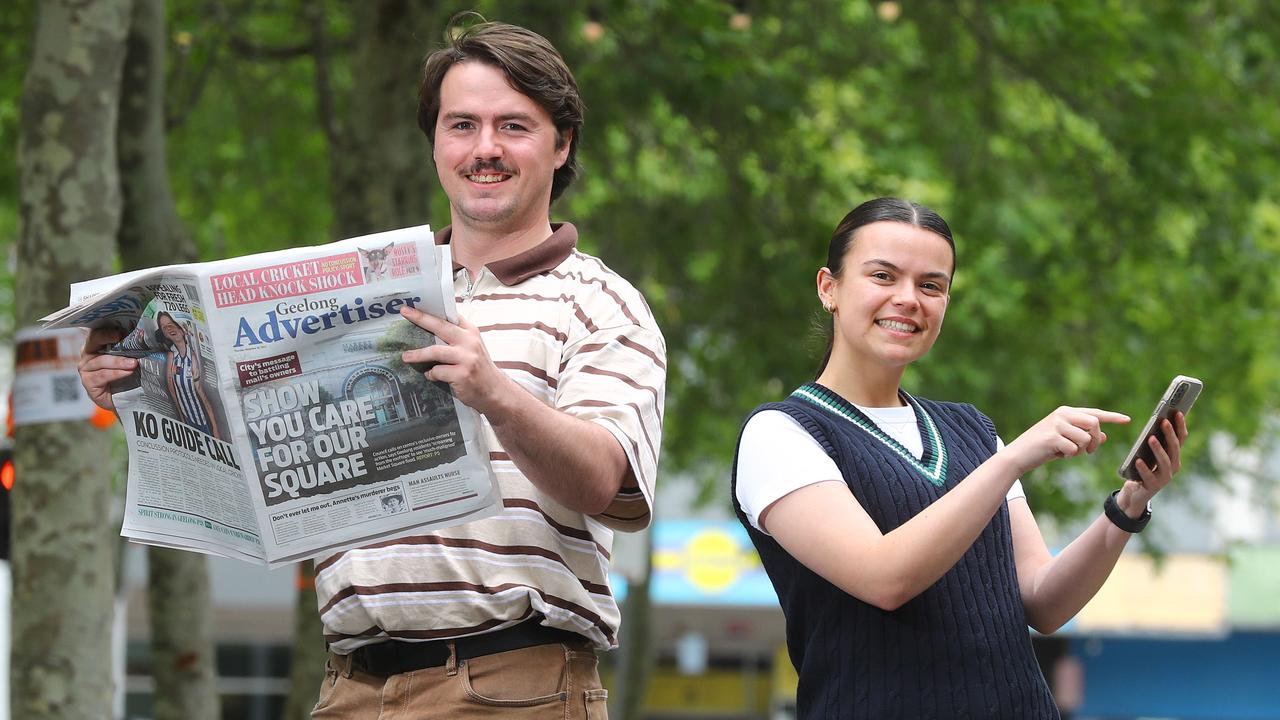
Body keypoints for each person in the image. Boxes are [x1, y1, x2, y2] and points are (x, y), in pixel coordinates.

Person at [78, 19, 664, 720]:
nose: (484, 149)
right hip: (349, 685)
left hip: (513, 686)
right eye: (461, 125)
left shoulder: (602, 303)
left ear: (561, 143)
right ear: (435, 144)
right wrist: (146, 387)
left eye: (514, 126)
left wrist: (496, 394)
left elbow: (607, 483)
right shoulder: (358, 293)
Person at [731, 197, 1188, 719]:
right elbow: (885, 578)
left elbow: (1043, 601)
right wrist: (1012, 460)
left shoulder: (971, 429)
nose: (908, 299)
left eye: (931, 285)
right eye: (883, 276)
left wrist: (1127, 507)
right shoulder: (781, 433)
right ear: (828, 287)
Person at [155, 311, 221, 440]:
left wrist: (215, 429)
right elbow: (173, 392)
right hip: (187, 420)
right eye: (164, 327)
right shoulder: (171, 356)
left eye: (171, 323)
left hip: (203, 420)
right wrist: (182, 420)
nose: (169, 327)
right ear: (164, 334)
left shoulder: (194, 356)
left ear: (182, 329)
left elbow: (204, 398)